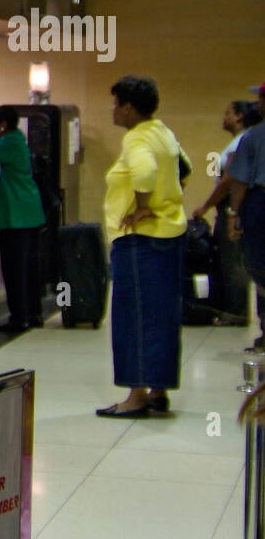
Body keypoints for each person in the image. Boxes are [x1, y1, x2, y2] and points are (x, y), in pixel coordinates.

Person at [97, 76, 190, 418]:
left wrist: (142, 205)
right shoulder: (162, 132)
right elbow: (186, 166)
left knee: (133, 316)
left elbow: (145, 171)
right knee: (162, 314)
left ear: (129, 108)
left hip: (140, 241)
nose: (113, 110)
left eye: (116, 104)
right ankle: (158, 389)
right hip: (169, 235)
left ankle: (135, 396)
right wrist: (166, 200)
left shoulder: (137, 139)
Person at [192, 100, 261, 326]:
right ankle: (234, 308)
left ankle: (237, 311)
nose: (224, 117)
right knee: (232, 257)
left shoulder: (240, 143)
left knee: (233, 259)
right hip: (236, 204)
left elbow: (229, 180)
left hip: (234, 204)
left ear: (240, 117)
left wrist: (206, 206)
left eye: (228, 113)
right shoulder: (242, 141)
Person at [0, 106, 46, 332]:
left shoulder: (8, 144)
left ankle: (19, 317)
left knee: (14, 268)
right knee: (29, 267)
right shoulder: (17, 140)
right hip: (28, 212)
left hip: (16, 215)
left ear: (2, 125)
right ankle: (33, 313)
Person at [227, 79, 265, 353]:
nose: (257, 104)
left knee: (260, 267)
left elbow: (238, 181)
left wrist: (233, 214)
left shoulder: (253, 137)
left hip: (260, 204)